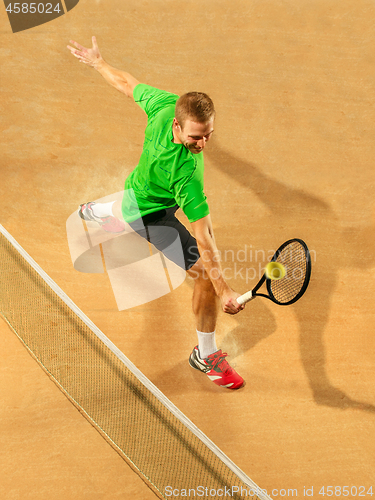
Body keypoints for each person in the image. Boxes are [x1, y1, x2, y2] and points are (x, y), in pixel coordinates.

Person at [67, 36, 246, 390]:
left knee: (130, 200)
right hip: (150, 214)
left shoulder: (164, 106)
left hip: (140, 187)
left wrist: (99, 63)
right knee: (205, 277)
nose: (203, 145)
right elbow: (204, 234)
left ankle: (102, 211)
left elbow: (129, 84)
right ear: (178, 126)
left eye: (209, 135)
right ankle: (205, 355)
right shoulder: (188, 175)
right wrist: (224, 289)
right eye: (196, 137)